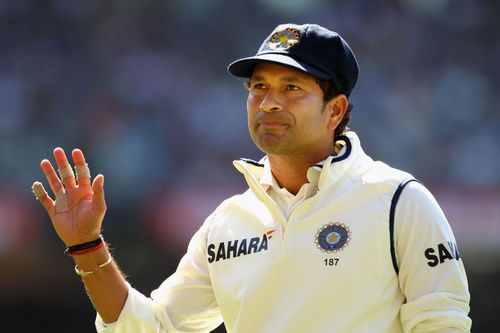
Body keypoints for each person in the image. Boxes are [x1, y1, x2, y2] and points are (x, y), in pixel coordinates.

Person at [32, 23, 471, 333]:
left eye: (292, 88)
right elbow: (154, 329)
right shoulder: (227, 221)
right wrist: (87, 247)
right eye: (258, 87)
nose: (268, 103)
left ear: (335, 110)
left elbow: (442, 326)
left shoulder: (399, 201)